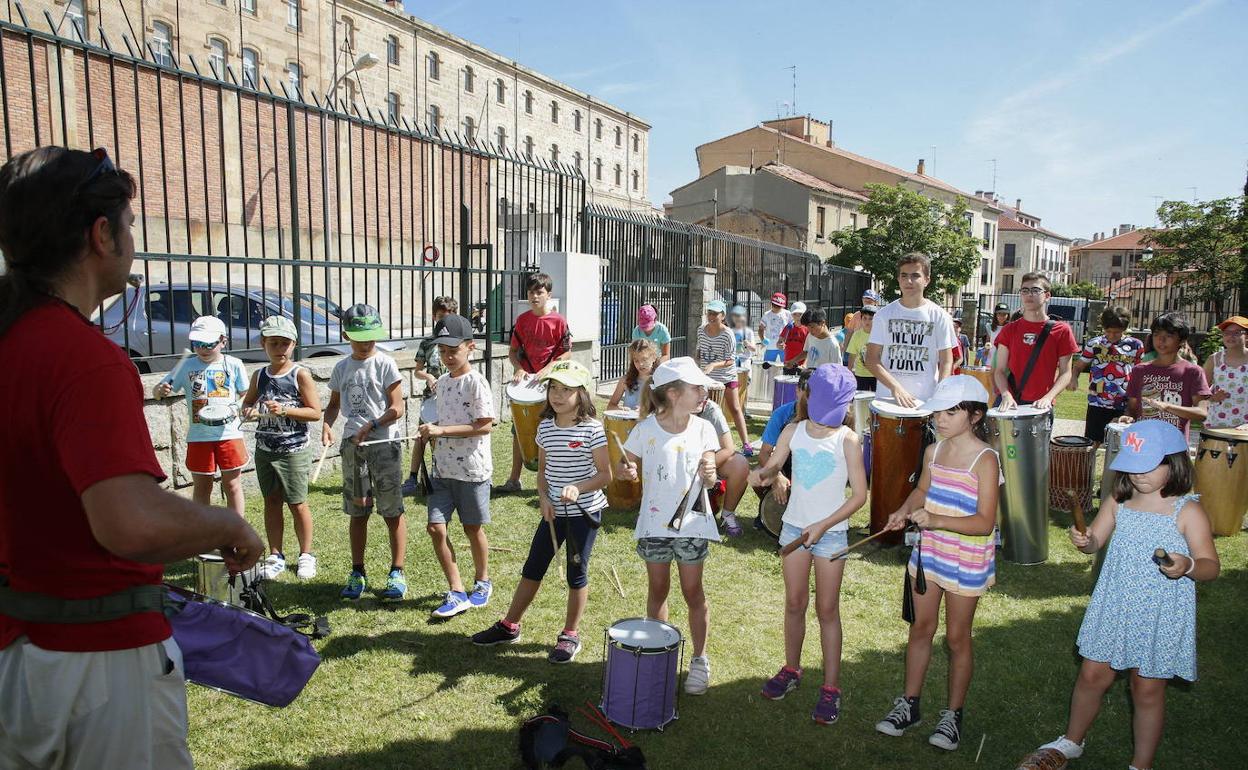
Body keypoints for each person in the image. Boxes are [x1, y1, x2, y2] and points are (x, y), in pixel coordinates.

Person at [0, 146, 262, 768]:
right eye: (131, 224)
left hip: (20, 651)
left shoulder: (14, 339)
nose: (134, 239)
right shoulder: (82, 357)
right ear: (100, 235)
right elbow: (130, 523)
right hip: (96, 667)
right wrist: (228, 523)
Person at [1023, 419, 1219, 770]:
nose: (1139, 475)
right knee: (1091, 675)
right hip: (1114, 603)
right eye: (1132, 467)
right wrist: (1086, 541)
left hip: (1157, 613)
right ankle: (1072, 741)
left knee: (1147, 689)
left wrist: (1187, 565)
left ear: (1174, 463)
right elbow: (1095, 541)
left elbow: (1210, 566)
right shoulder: (1119, 499)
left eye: (1148, 467)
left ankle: (1140, 764)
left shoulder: (1187, 511)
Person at [878, 375, 1001, 752]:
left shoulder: (986, 460)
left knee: (956, 638)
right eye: (938, 412)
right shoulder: (933, 451)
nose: (941, 419)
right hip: (929, 555)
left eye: (951, 412)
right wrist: (903, 510)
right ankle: (910, 704)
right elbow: (922, 491)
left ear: (976, 416)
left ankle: (952, 714)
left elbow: (984, 523)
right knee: (921, 629)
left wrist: (937, 520)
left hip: (965, 559)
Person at [749, 365, 867, 725]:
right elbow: (773, 465)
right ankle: (791, 668)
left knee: (827, 609)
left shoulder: (848, 439)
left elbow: (860, 496)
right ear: (807, 395)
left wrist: (824, 525)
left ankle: (831, 687)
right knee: (795, 602)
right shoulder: (792, 430)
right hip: (794, 530)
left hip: (830, 534)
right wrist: (764, 474)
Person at [471, 361, 609, 663]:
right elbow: (543, 472)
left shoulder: (592, 430)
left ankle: (570, 634)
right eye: (553, 388)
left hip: (584, 514)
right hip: (552, 513)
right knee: (533, 567)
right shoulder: (545, 426)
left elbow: (604, 475)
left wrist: (578, 488)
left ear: (581, 394)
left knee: (576, 573)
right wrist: (544, 497)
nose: (557, 396)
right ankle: (510, 625)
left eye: (566, 390)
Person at [616, 357, 720, 696]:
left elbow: (710, 470)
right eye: (696, 387)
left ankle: (700, 658)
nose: (703, 392)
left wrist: (711, 473)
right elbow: (626, 464)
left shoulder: (704, 427)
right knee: (657, 590)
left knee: (693, 592)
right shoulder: (645, 428)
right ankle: (659, 656)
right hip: (654, 524)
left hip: (692, 524)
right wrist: (626, 471)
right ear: (674, 394)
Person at [323, 303, 408, 602]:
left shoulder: (385, 364)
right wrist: (327, 425)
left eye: (371, 336)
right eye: (360, 337)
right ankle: (357, 572)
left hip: (383, 445)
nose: (366, 342)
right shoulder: (341, 367)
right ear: (347, 335)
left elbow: (397, 407)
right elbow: (334, 405)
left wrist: (373, 424)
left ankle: (397, 572)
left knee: (391, 510)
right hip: (353, 447)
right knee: (358, 510)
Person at [419, 314, 497, 619]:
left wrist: (441, 431)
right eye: (442, 352)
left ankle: (482, 581)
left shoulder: (476, 382)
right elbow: (449, 420)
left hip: (472, 470)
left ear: (470, 347)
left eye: (453, 350)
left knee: (472, 528)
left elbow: (485, 425)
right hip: (443, 469)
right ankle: (456, 590)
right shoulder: (442, 384)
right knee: (435, 528)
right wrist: (433, 427)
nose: (448, 357)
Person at [241, 316, 323, 580]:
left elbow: (315, 412)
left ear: (294, 344)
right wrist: (250, 411)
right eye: (273, 343)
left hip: (294, 449)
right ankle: (276, 554)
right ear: (263, 344)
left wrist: (286, 409)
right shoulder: (259, 375)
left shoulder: (300, 374)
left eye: (285, 343)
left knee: (297, 503)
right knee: (271, 501)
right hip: (265, 448)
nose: (279, 349)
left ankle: (306, 554)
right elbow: (248, 405)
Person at [154, 314, 249, 516]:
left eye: (209, 344)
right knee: (202, 487)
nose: (202, 349)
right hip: (199, 436)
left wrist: (236, 408)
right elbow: (159, 391)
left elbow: (246, 394)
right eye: (197, 343)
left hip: (229, 434)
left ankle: (237, 531)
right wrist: (159, 391)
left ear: (223, 341)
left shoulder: (234, 364)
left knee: (232, 485)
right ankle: (203, 533)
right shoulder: (186, 365)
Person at [497, 272, 572, 494]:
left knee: (551, 431)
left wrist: (549, 368)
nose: (534, 296)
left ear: (548, 294)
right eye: (531, 292)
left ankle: (552, 480)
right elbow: (513, 352)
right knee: (518, 430)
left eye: (539, 292)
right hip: (526, 385)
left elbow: (567, 352)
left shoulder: (559, 321)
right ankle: (514, 479)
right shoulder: (522, 321)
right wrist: (519, 368)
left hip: (551, 384)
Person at [866, 253, 957, 408]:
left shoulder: (940, 316)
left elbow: (947, 361)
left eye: (915, 276)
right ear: (898, 279)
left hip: (926, 402)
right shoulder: (883, 315)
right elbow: (871, 359)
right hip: (888, 401)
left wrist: (940, 395)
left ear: (927, 280)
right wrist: (895, 387)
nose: (909, 281)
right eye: (904, 275)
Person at [992, 273, 1079, 411]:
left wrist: (1048, 397)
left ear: (1047, 296)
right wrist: (1006, 394)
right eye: (1024, 290)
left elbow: (1065, 373)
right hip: (1010, 402)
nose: (1029, 295)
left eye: (1035, 290)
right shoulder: (1009, 329)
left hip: (1040, 405)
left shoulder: (1062, 330)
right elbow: (1000, 370)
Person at [1121, 313, 1210, 440]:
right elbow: (1132, 409)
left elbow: (1202, 413)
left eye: (1169, 335)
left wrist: (1167, 407)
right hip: (1143, 444)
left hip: (1175, 447)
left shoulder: (1193, 372)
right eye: (1157, 335)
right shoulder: (1139, 370)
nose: (1161, 340)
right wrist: (1127, 417)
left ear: (1182, 340)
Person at [402, 295, 457, 497]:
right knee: (421, 437)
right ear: (434, 316)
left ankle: (443, 475)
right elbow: (417, 370)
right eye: (440, 316)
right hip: (431, 398)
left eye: (448, 316)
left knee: (445, 437)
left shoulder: (457, 343)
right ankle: (412, 477)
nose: (444, 320)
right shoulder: (427, 343)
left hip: (452, 398)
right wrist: (427, 377)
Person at [1069, 307, 1143, 447]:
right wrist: (1074, 378)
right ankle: (1088, 467)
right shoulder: (1095, 343)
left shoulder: (1135, 345)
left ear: (1124, 329)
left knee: (1120, 444)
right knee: (1092, 443)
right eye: (1108, 331)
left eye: (1117, 332)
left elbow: (1140, 372)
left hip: (1123, 402)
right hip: (1097, 401)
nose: (1112, 335)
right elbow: (1079, 366)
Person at [692, 388, 751, 538]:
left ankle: (728, 515)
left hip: (707, 460)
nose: (701, 395)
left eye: (702, 389)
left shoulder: (711, 410)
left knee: (740, 464)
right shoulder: (668, 409)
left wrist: (705, 467)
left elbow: (728, 448)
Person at [696, 299, 744, 450]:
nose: (711, 316)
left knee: (735, 409)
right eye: (709, 313)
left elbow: (730, 360)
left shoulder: (728, 334)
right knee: (704, 411)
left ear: (722, 316)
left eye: (715, 314)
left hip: (726, 377)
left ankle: (746, 443)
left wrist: (713, 365)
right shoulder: (701, 330)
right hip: (707, 378)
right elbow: (699, 350)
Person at [1202, 315, 1248, 431]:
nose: (1230, 336)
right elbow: (1199, 395)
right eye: (1226, 332)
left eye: (1237, 333)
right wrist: (1212, 398)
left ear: (1246, 336)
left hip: (1245, 428)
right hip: (1216, 427)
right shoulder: (1214, 360)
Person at [729, 305, 758, 454]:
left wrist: (749, 345)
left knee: (744, 387)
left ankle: (744, 409)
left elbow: (754, 349)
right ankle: (736, 410)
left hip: (745, 363)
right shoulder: (731, 332)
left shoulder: (749, 332)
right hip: (734, 362)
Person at [607, 338, 659, 412]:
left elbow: (667, 409)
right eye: (636, 360)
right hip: (628, 423)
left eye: (644, 359)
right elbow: (610, 406)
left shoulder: (661, 380)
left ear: (654, 358)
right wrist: (621, 409)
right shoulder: (625, 380)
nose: (640, 364)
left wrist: (647, 410)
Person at [844, 305, 877, 392]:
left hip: (877, 374)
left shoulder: (879, 335)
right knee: (861, 400)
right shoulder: (857, 335)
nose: (867, 321)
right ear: (861, 319)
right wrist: (849, 371)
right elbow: (852, 354)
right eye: (864, 318)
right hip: (861, 374)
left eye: (870, 318)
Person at [759, 292, 792, 364]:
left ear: (782, 306)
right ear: (771, 303)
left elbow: (791, 328)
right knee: (767, 367)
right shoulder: (767, 315)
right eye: (774, 305)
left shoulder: (787, 314)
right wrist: (763, 340)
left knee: (786, 366)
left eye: (778, 306)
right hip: (770, 346)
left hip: (784, 346)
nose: (776, 307)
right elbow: (761, 329)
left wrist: (788, 341)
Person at [780, 301, 809, 374]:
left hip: (801, 366)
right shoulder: (788, 327)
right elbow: (780, 341)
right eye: (795, 314)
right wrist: (780, 345)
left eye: (800, 314)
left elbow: (809, 350)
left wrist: (804, 364)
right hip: (788, 364)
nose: (797, 317)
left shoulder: (808, 329)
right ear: (792, 315)